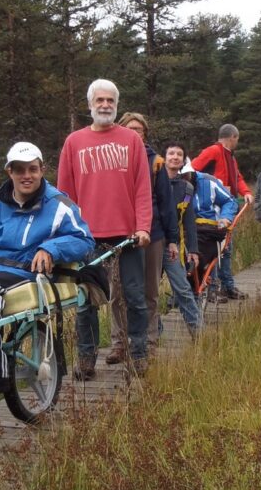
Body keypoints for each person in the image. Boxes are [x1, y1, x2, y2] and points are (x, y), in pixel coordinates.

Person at [0, 142, 94, 404]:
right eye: (19, 170)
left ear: (42, 170)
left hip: (26, 271)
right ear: (8, 171)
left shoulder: (59, 204)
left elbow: (84, 240)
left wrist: (50, 248)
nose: (27, 176)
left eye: (33, 169)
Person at [57, 80, 152, 379]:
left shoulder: (131, 140)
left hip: (127, 237)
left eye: (110, 100)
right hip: (87, 237)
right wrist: (66, 232)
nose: (105, 105)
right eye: (99, 100)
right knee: (87, 303)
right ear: (89, 105)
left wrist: (143, 227)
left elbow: (142, 189)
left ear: (116, 104)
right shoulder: (74, 142)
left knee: (135, 298)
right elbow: (64, 194)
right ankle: (86, 359)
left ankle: (138, 354)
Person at [107, 113, 179, 360]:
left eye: (139, 129)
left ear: (145, 134)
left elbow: (167, 204)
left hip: (153, 233)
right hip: (119, 234)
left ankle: (148, 341)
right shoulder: (113, 159)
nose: (135, 133)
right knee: (117, 292)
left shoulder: (156, 162)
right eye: (130, 128)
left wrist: (173, 239)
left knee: (149, 291)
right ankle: (119, 342)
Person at [191, 124, 253, 299]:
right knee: (215, 250)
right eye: (237, 139)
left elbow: (237, 177)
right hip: (212, 210)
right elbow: (193, 170)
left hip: (227, 207)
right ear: (233, 137)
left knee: (226, 249)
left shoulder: (230, 158)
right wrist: (210, 188)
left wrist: (246, 192)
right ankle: (212, 288)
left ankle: (227, 286)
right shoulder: (213, 151)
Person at [163, 142, 202, 336]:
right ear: (164, 157)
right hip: (150, 245)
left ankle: (198, 333)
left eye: (179, 154)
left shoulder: (186, 188)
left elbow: (189, 221)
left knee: (183, 289)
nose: (175, 157)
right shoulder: (151, 182)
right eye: (171, 153)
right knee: (148, 293)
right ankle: (154, 334)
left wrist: (193, 250)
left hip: (172, 248)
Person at [184, 163, 238, 301]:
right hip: (183, 229)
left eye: (186, 175)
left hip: (209, 229)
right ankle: (184, 290)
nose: (183, 178)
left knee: (204, 256)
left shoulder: (208, 182)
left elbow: (229, 201)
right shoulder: (171, 184)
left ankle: (208, 288)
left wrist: (226, 217)